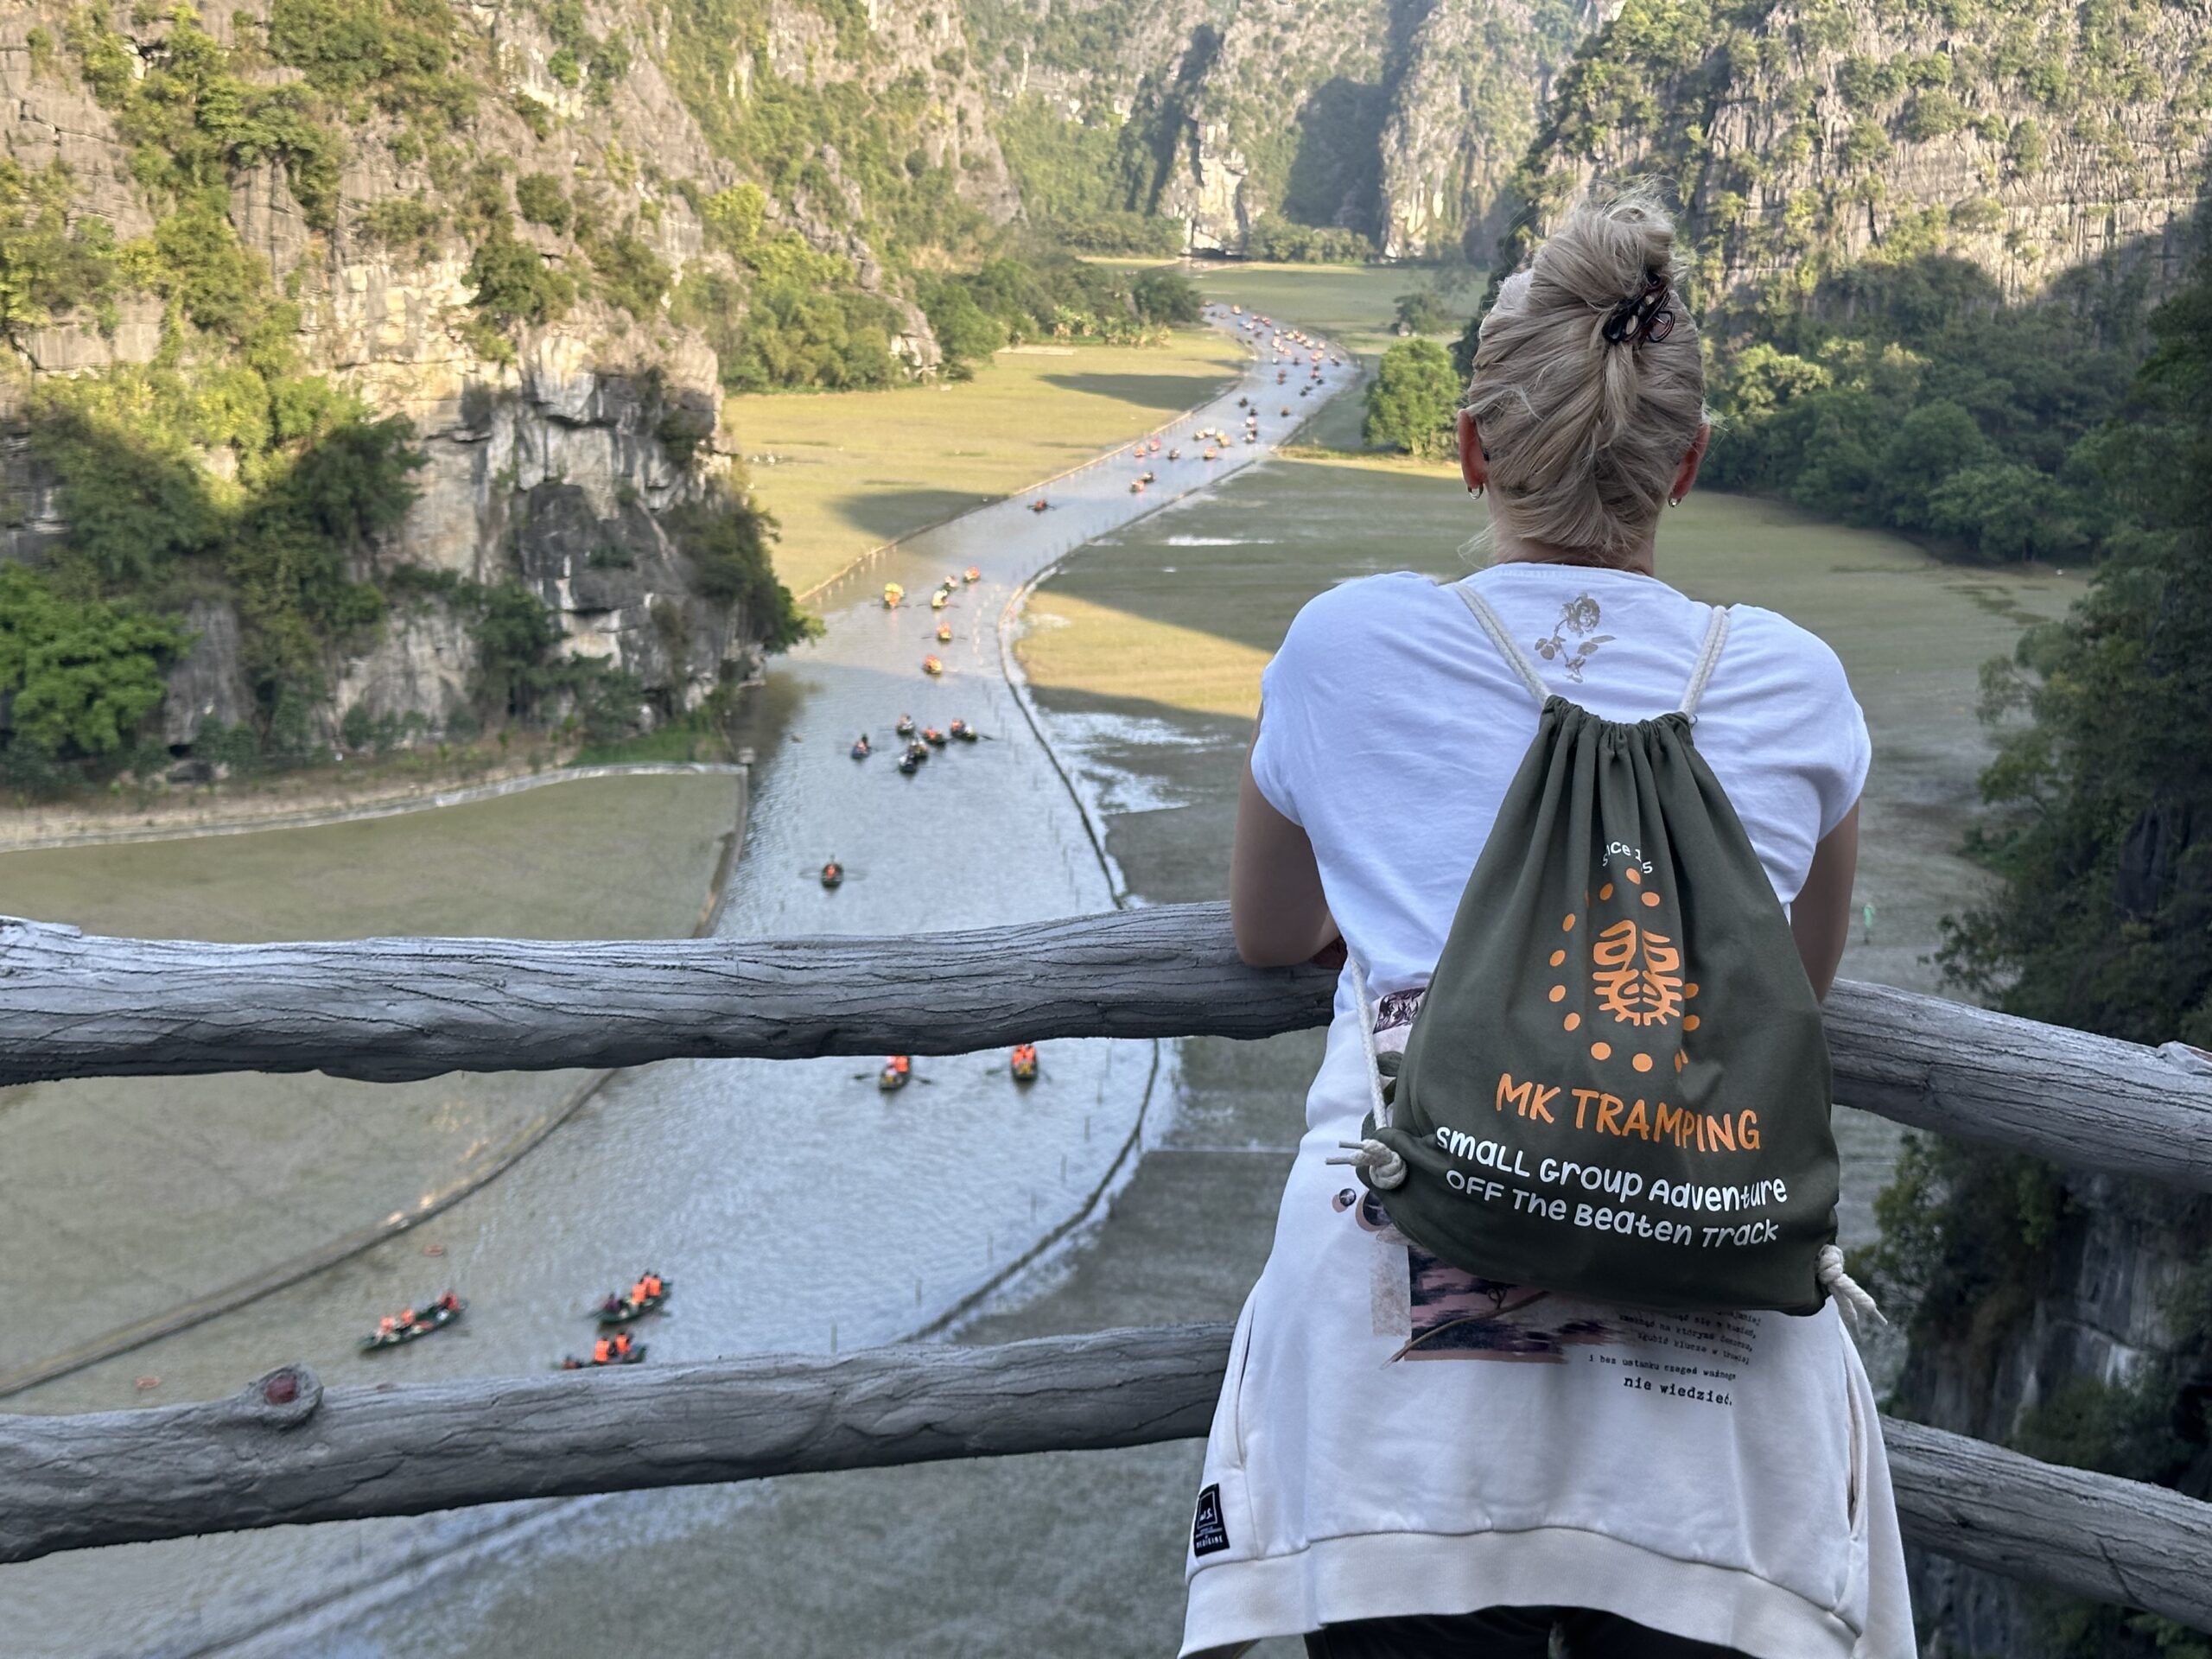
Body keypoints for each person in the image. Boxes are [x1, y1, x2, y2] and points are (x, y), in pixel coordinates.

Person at [1190, 190, 1910, 1659]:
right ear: (1685, 466)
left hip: (1399, 1413)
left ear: (1472, 449)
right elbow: (1794, 980)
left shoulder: (1346, 643)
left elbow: (1268, 930)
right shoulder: (1795, 681)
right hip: (1714, 1414)